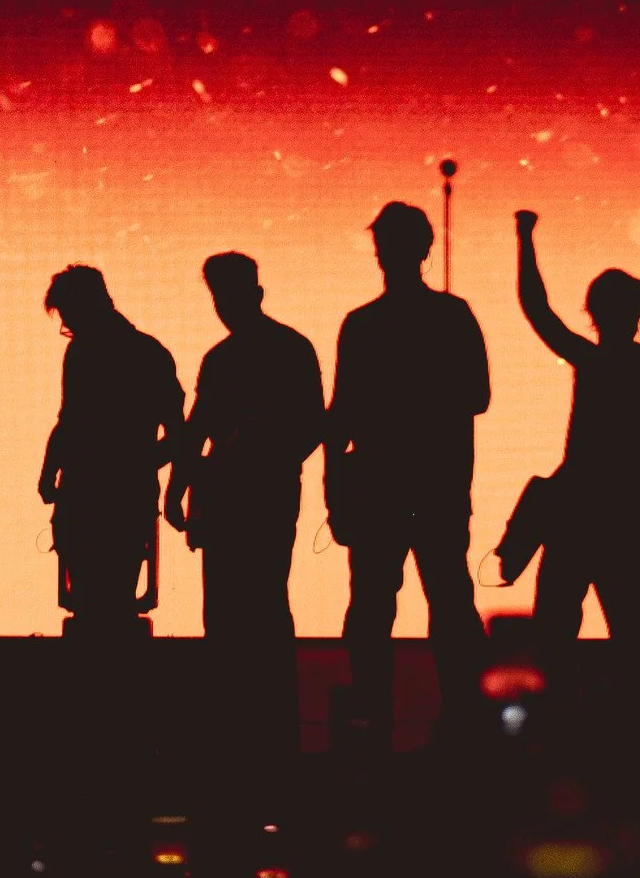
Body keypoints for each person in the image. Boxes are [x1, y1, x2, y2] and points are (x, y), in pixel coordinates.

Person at [327, 201, 490, 751]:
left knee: (376, 609)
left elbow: (340, 416)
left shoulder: (364, 324)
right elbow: (476, 396)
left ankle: (378, 720)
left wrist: (334, 492)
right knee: (445, 605)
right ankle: (460, 719)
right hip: (435, 485)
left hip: (383, 487)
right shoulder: (451, 315)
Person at [167, 254, 325, 744]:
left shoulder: (229, 357)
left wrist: (179, 488)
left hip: (243, 494)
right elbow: (311, 425)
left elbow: (198, 430)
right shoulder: (287, 348)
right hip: (258, 493)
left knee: (234, 610)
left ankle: (241, 728)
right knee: (258, 606)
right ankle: (266, 727)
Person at [513, 210, 640, 640]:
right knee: (630, 628)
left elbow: (537, 310)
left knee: (554, 628)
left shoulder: (592, 361)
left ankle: (560, 706)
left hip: (576, 516)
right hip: (624, 515)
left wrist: (525, 237)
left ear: (593, 312)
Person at [39, 265, 186, 632]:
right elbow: (69, 419)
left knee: (99, 607)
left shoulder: (95, 353)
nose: (68, 325)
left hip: (101, 498)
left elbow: (69, 421)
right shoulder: (147, 354)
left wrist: (51, 471)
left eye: (69, 315)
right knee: (107, 603)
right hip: (116, 497)